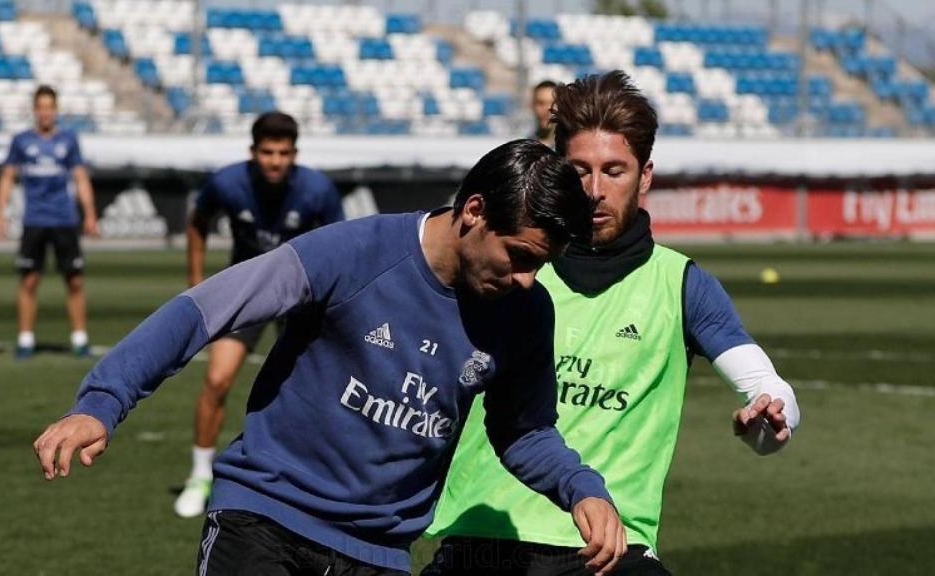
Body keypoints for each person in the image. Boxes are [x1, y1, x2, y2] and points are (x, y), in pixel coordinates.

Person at [32, 139, 628, 576]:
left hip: (380, 554)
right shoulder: (357, 252)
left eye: (540, 265)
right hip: (265, 523)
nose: (528, 279)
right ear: (474, 211)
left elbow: (523, 429)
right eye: (519, 255)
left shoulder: (525, 311)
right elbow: (208, 309)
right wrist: (103, 402)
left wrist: (582, 488)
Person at [424, 71, 802, 575]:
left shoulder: (682, 285)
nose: (595, 190)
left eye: (614, 171)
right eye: (579, 170)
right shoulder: (503, 269)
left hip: (610, 553)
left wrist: (766, 426)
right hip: (483, 538)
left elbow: (772, 395)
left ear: (645, 175)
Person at [173, 111, 345, 519]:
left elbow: (343, 246)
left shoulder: (317, 189)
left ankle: (320, 481)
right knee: (216, 379)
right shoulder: (227, 182)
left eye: (284, 153)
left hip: (303, 300)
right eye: (267, 152)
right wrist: (196, 282)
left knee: (322, 389)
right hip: (247, 294)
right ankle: (200, 475)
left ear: (295, 154)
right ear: (253, 152)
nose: (275, 161)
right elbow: (197, 224)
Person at [0, 84, 98, 358]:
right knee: (28, 281)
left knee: (74, 281)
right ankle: (26, 339)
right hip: (35, 220)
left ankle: (79, 338)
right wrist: (1, 214)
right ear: (34, 110)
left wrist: (89, 212)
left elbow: (80, 177)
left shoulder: (69, 140)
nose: (45, 113)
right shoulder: (22, 141)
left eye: (49, 107)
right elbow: (7, 177)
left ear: (56, 110)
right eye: (40, 107)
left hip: (64, 219)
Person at [531, 80, 557, 148]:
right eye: (541, 103)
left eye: (552, 103)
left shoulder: (571, 148)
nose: (547, 109)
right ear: (532, 105)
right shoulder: (524, 144)